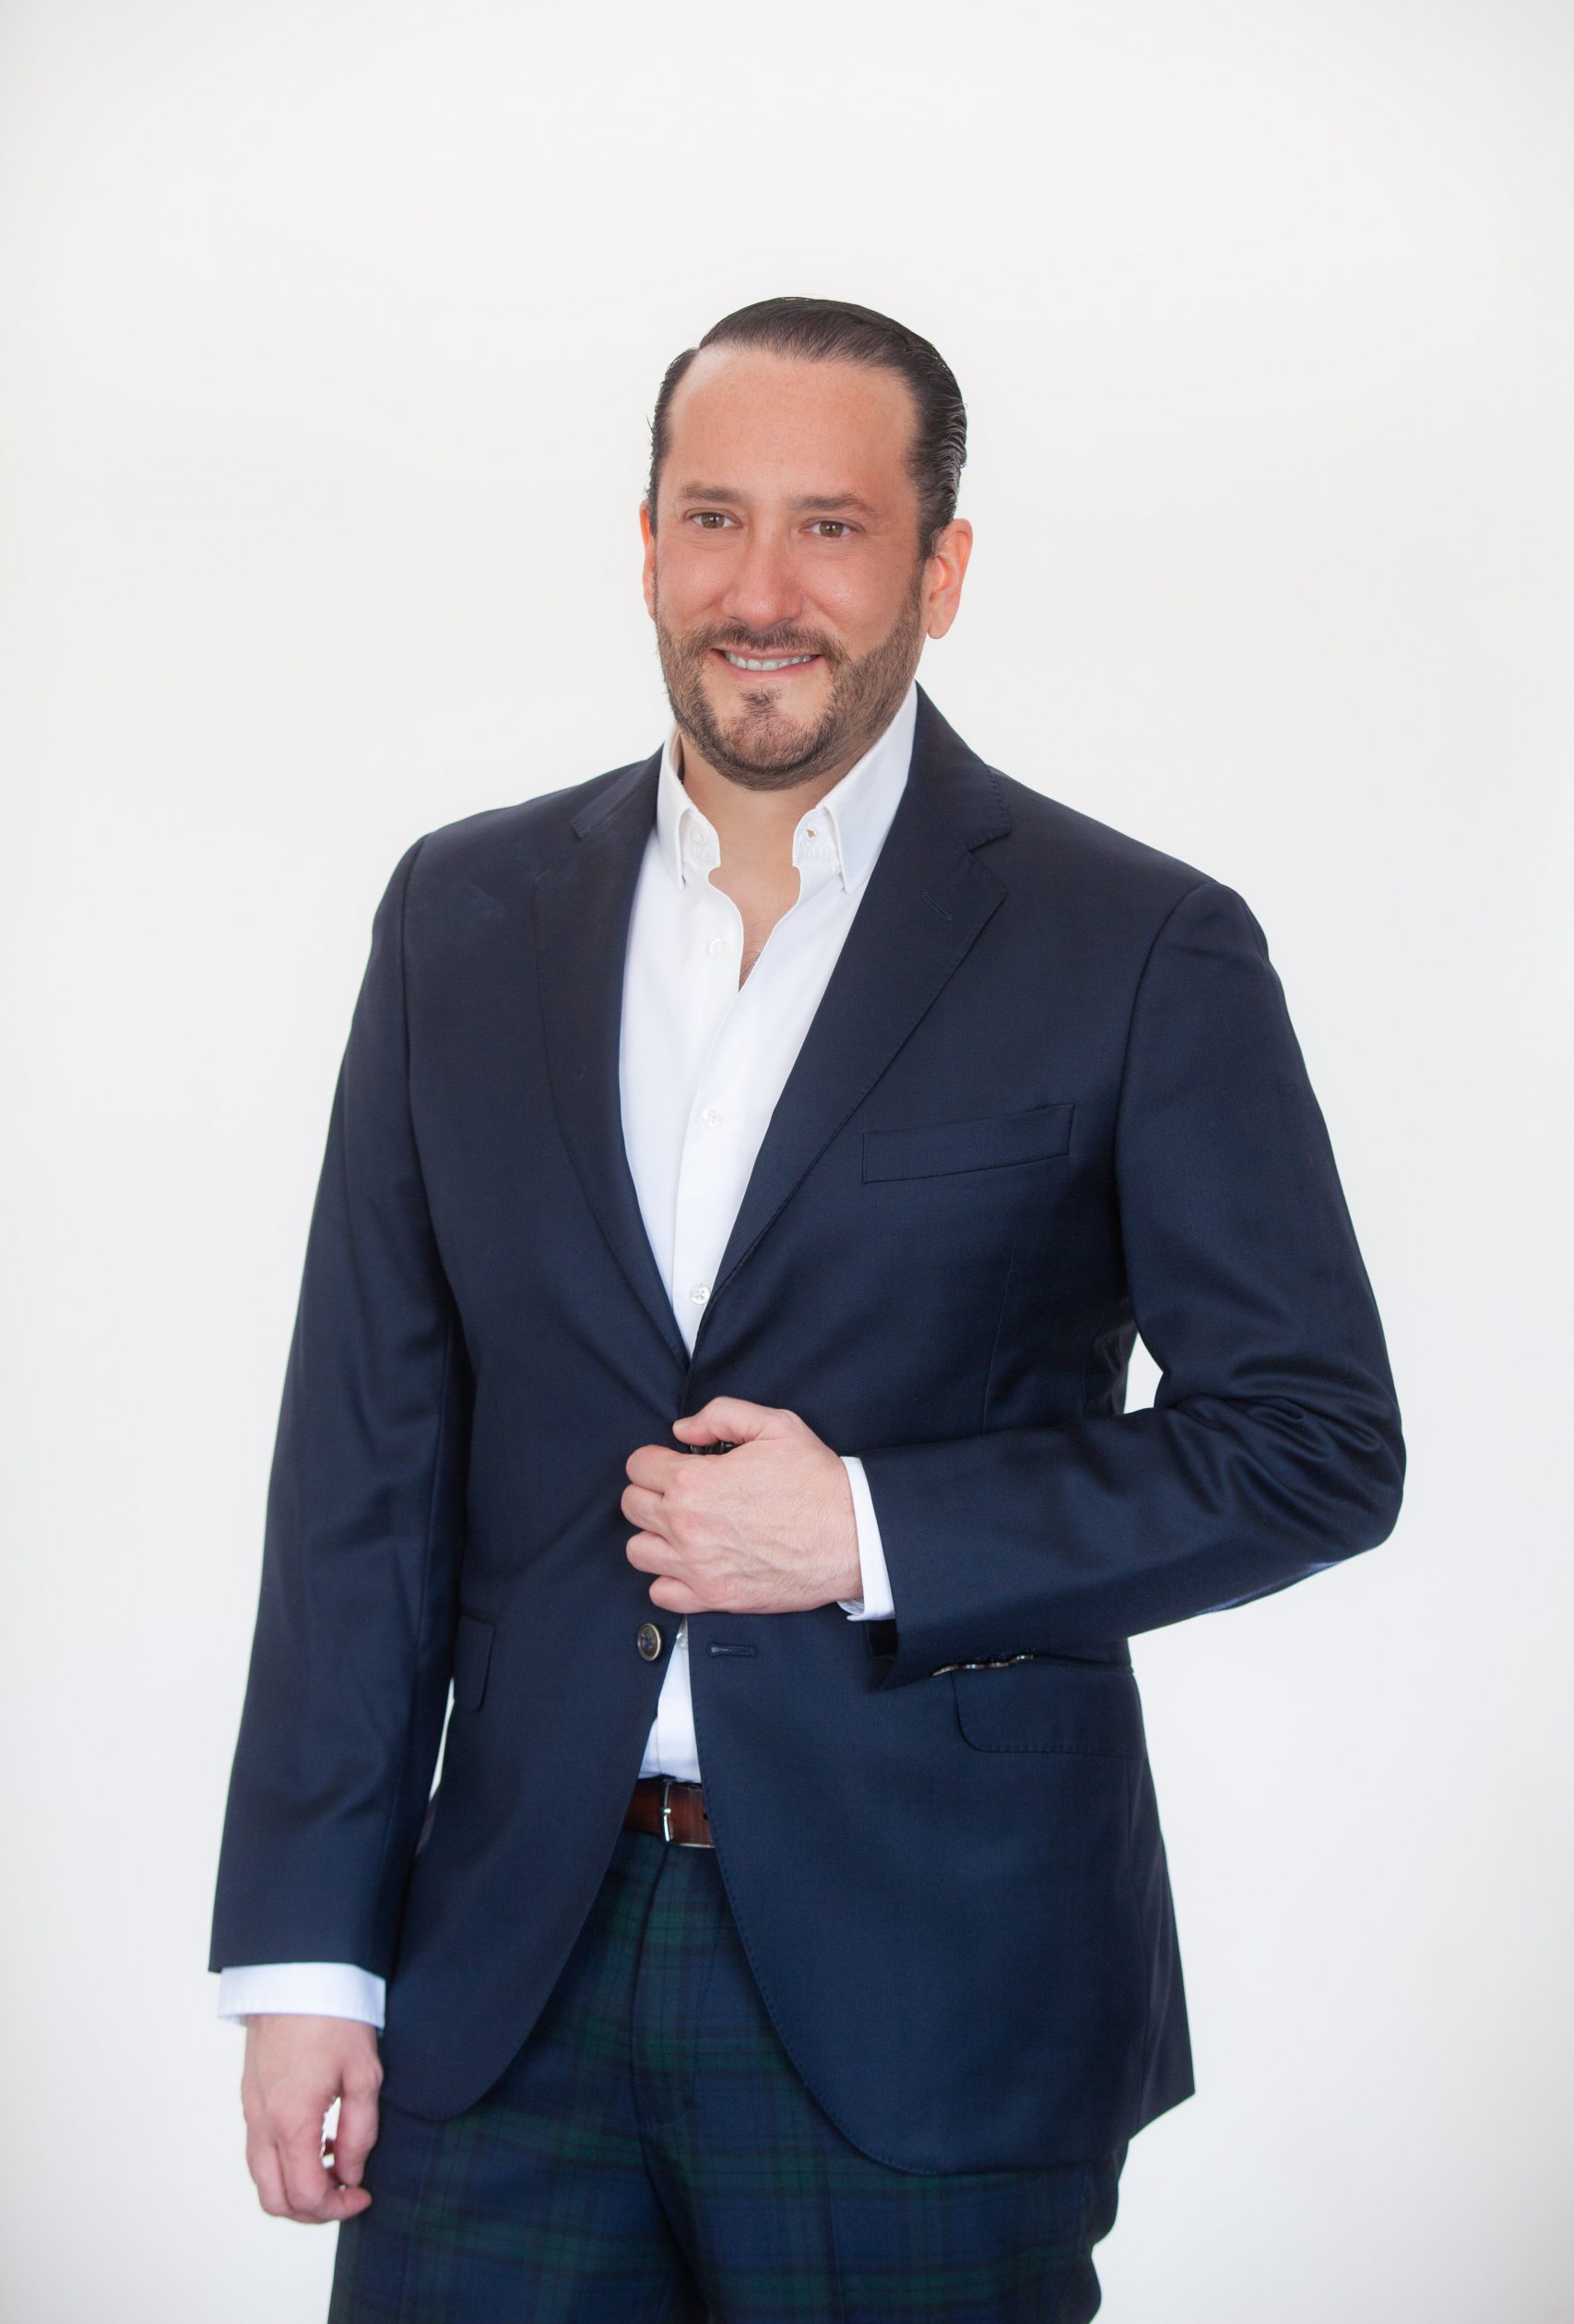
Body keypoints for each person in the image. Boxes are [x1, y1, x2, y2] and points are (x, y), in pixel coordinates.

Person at [209, 295, 1404, 2322]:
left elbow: (1312, 1445)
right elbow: (363, 1465)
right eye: (712, 518)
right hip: (500, 1978)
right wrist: (309, 1951)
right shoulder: (461, 917)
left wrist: (867, 1528)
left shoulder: (1137, 945)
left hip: (937, 1990)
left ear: (940, 567)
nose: (759, 592)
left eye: (831, 528)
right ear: (647, 543)